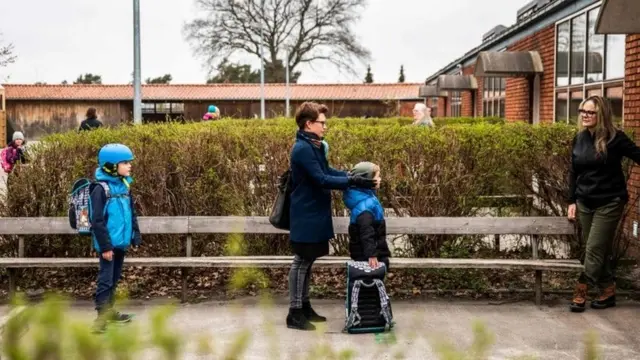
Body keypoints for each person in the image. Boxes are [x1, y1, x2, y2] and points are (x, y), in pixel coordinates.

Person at [287, 101, 379, 331]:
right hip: (305, 213)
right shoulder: (302, 149)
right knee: (301, 261)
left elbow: (328, 172)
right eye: (322, 122)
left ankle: (304, 305)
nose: (325, 127)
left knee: (308, 261)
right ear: (309, 124)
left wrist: (350, 175)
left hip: (314, 212)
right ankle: (294, 312)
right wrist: (353, 180)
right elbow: (321, 179)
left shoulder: (314, 145)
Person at [567, 95, 640, 313]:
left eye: (591, 112)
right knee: (598, 248)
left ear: (602, 115)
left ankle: (581, 289)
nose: (586, 116)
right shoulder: (580, 138)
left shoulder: (615, 139)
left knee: (594, 248)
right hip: (585, 202)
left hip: (609, 201)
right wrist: (572, 200)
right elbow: (573, 172)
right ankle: (607, 289)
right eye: (583, 111)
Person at [90, 143, 142, 333]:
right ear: (111, 166)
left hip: (120, 242)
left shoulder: (125, 186)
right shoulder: (100, 189)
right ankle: (100, 319)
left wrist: (135, 235)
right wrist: (105, 247)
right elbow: (97, 221)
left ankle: (110, 311)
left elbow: (131, 212)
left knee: (114, 278)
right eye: (125, 163)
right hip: (108, 245)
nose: (129, 166)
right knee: (105, 279)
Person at [343, 161, 391, 270]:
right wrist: (371, 255)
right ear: (367, 180)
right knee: (371, 282)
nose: (380, 179)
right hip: (366, 256)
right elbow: (366, 232)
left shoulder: (367, 198)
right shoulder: (365, 207)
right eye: (377, 177)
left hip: (372, 252)